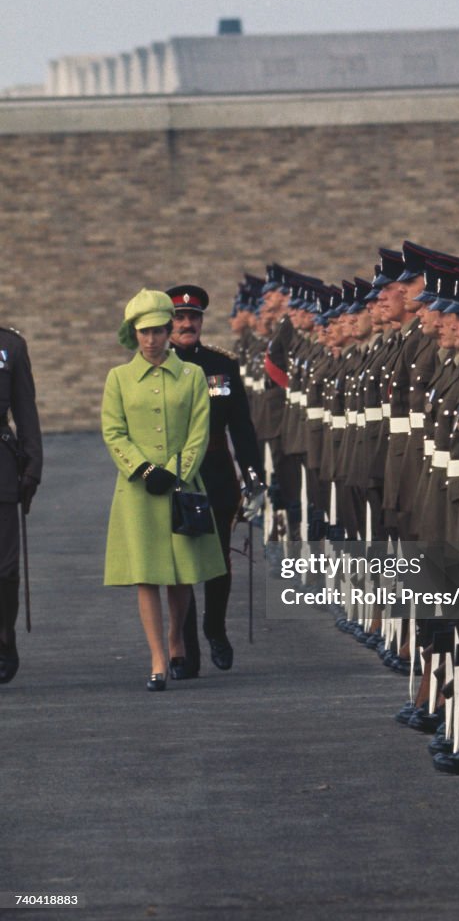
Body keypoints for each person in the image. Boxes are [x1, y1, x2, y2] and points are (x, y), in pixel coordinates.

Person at [101, 289, 225, 691]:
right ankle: (157, 655)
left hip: (180, 485)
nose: (152, 340)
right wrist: (142, 467)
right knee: (146, 574)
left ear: (170, 331)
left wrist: (175, 471)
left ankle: (176, 637)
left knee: (181, 575)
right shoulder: (118, 378)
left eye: (158, 331)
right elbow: (113, 431)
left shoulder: (191, 377)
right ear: (133, 334)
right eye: (144, 332)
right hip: (137, 490)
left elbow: (199, 432)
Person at [166, 285, 264, 675]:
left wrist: (254, 475)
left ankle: (215, 628)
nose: (187, 323)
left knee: (218, 559)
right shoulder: (158, 365)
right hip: (176, 476)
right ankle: (185, 650)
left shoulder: (221, 364)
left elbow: (241, 425)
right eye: (179, 318)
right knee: (179, 565)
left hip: (216, 471)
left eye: (193, 317)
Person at [0, 324, 42, 685]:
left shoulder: (10, 346)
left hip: (1, 466)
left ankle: (4, 636)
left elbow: (25, 409)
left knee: (5, 569)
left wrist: (32, 467)